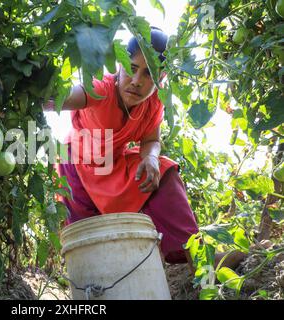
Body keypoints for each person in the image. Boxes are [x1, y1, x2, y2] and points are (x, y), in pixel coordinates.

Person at [43, 27, 247, 272]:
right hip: (75, 169)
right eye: (131, 67)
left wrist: (150, 157)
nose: (137, 80)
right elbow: (61, 97)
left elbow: (151, 140)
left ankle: (199, 259)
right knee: (90, 247)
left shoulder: (153, 103)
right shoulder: (100, 89)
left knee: (164, 171)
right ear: (119, 66)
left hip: (111, 166)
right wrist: (33, 94)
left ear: (160, 79)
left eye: (149, 74)